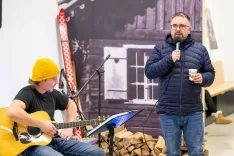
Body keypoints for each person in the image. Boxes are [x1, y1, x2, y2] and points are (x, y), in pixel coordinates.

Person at [145, 12, 215, 156]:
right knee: (172, 153)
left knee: (197, 152)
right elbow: (150, 72)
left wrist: (203, 78)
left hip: (193, 112)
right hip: (168, 113)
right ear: (171, 28)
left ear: (189, 29)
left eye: (182, 26)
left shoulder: (200, 50)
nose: (178, 28)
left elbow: (211, 74)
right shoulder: (160, 48)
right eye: (175, 25)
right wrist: (169, 59)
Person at [7, 58, 105, 156]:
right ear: (42, 80)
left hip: (55, 141)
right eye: (54, 78)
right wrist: (41, 125)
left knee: (98, 153)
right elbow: (12, 112)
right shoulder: (27, 93)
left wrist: (69, 128)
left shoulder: (52, 94)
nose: (57, 82)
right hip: (34, 146)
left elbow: (71, 104)